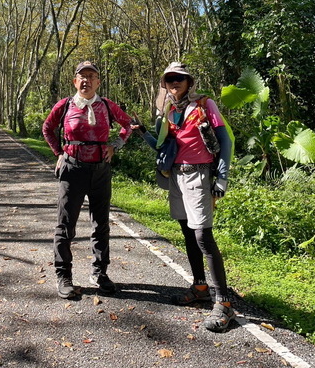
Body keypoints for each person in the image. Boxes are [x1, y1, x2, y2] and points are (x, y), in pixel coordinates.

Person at [133, 62, 235, 332]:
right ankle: (200, 287)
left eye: (179, 78)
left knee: (203, 234)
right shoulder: (169, 112)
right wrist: (142, 131)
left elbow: (225, 141)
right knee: (188, 232)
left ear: (189, 82)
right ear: (165, 84)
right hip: (176, 176)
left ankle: (224, 302)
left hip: (199, 174)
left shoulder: (204, 104)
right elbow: (160, 146)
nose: (174, 82)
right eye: (169, 79)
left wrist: (221, 178)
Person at [42, 61, 133, 299]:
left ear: (98, 82)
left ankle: (99, 272)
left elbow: (128, 125)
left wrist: (115, 145)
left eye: (91, 76)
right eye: (82, 76)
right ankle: (64, 276)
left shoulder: (107, 106)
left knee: (100, 224)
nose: (86, 80)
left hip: (100, 170)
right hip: (72, 169)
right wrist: (59, 153)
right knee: (66, 225)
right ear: (75, 81)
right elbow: (47, 128)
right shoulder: (65, 105)